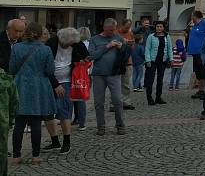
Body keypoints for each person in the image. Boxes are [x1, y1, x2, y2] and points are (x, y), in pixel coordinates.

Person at [10, 22, 57, 165]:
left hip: (20, 86)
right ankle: (35, 156)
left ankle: (16, 156)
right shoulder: (46, 49)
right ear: (40, 34)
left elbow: (12, 69)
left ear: (26, 32)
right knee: (36, 122)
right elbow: (50, 71)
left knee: (19, 123)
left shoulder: (16, 47)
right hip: (39, 87)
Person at [41, 27, 87, 155]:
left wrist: (83, 61)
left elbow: (86, 56)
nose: (70, 45)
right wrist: (55, 84)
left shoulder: (77, 43)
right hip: (50, 80)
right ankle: (55, 141)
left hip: (67, 80)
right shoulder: (51, 43)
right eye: (68, 43)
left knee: (64, 110)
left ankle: (67, 142)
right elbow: (45, 65)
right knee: (48, 112)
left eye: (72, 43)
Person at [88, 18, 129, 135]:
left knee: (118, 100)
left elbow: (126, 55)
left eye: (114, 30)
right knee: (99, 102)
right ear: (104, 28)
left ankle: (120, 124)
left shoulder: (118, 38)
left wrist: (122, 48)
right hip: (99, 74)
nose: (113, 32)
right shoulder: (95, 39)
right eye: (110, 30)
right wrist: (107, 46)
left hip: (114, 74)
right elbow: (92, 56)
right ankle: (101, 126)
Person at [144, 21, 172, 105]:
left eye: (160, 27)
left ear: (163, 28)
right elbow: (147, 49)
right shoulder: (151, 36)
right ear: (155, 28)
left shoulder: (167, 36)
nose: (159, 28)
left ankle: (158, 97)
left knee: (160, 80)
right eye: (157, 27)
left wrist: (171, 59)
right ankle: (149, 98)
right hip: (152, 61)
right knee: (150, 80)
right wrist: (148, 60)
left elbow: (169, 48)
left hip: (162, 61)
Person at [188, 11, 205, 100]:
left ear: (195, 16)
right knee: (198, 73)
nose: (192, 19)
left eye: (192, 17)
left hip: (202, 53)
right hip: (195, 53)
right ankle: (200, 90)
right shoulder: (195, 25)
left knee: (203, 72)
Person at [115, 19, 136, 111]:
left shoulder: (130, 33)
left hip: (128, 61)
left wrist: (131, 44)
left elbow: (133, 47)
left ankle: (126, 102)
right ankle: (114, 103)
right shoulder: (116, 33)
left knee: (126, 84)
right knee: (115, 84)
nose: (128, 29)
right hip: (117, 61)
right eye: (126, 27)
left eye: (129, 27)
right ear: (122, 25)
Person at [0, 65, 16, 170]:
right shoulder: (6, 79)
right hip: (2, 122)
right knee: (2, 152)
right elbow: (14, 102)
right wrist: (10, 120)